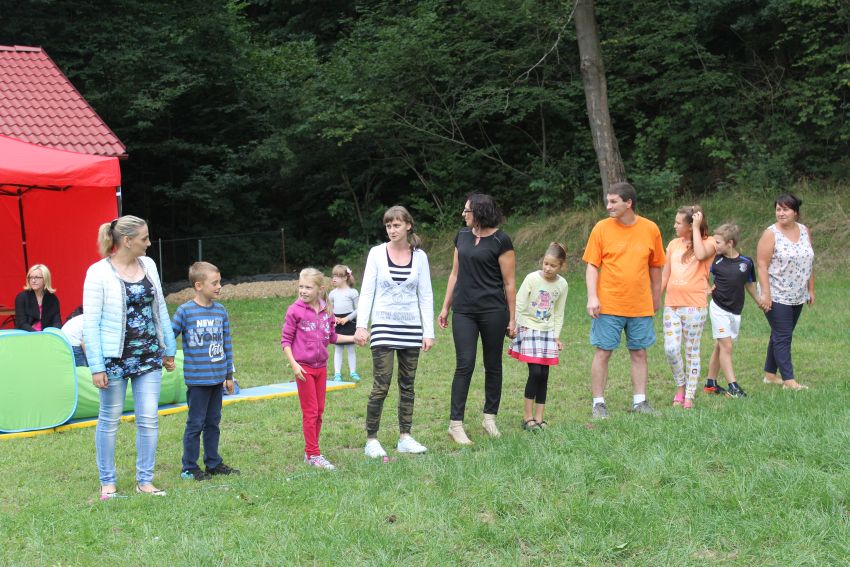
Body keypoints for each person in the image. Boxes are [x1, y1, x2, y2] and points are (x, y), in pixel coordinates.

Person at [83, 215, 176, 499]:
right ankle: (108, 483)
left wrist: (168, 349)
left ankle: (145, 481)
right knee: (109, 420)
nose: (148, 243)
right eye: (144, 238)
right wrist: (97, 366)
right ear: (126, 241)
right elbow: (91, 323)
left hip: (148, 355)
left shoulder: (148, 265)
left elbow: (160, 307)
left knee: (148, 419)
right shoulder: (98, 272)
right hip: (114, 360)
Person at [354, 206, 434, 458]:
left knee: (408, 386)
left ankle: (405, 437)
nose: (392, 230)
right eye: (388, 226)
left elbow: (426, 295)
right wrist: (361, 325)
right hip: (383, 328)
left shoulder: (420, 257)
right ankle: (371, 440)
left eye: (396, 225)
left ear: (408, 226)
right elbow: (367, 291)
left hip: (411, 328)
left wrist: (428, 331)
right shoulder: (376, 253)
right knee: (381, 385)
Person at [583, 182, 666, 418]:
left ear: (628, 203)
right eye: (607, 201)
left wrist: (656, 296)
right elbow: (592, 266)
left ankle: (640, 402)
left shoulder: (650, 229)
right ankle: (598, 404)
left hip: (639, 305)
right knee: (603, 352)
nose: (608, 206)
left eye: (613, 202)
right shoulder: (601, 228)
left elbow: (656, 266)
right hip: (608, 304)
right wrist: (592, 296)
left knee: (639, 352)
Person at [439, 193, 516, 444]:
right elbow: (454, 274)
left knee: (493, 364)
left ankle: (489, 419)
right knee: (465, 364)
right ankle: (455, 424)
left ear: (480, 212)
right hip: (464, 311)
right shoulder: (461, 236)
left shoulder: (501, 240)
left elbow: (509, 283)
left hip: (493, 311)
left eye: (467, 211)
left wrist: (512, 319)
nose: (463, 214)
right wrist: (445, 307)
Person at [281, 268, 357, 471]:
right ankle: (314, 454)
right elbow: (286, 341)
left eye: (308, 287)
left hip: (321, 368)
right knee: (311, 412)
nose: (303, 291)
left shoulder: (327, 311)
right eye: (301, 286)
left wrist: (353, 338)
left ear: (320, 289)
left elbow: (332, 337)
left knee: (319, 412)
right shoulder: (294, 310)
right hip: (303, 369)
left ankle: (310, 451)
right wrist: (294, 364)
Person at [171, 261, 239, 482]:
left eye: (220, 282)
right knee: (195, 424)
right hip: (197, 381)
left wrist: (228, 375)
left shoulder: (221, 311)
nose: (219, 286)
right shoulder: (185, 311)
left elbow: (227, 344)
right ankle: (189, 467)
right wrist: (166, 356)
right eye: (215, 283)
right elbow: (170, 335)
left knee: (213, 423)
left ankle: (213, 463)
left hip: (217, 379)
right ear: (198, 285)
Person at [756, 193, 814, 390]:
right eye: (778, 209)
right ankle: (789, 381)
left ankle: (770, 375)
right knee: (783, 335)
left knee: (780, 333)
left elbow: (809, 260)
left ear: (795, 212)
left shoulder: (805, 231)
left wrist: (810, 289)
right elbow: (762, 265)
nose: (781, 213)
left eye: (785, 209)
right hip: (776, 293)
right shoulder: (770, 234)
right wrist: (766, 294)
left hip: (797, 293)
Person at [509, 242, 568, 431]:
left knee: (544, 375)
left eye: (553, 265)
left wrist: (556, 336)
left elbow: (559, 312)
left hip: (547, 332)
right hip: (528, 328)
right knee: (535, 372)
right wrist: (513, 324)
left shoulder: (562, 284)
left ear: (561, 266)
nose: (547, 268)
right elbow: (519, 303)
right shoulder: (532, 278)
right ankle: (527, 418)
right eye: (545, 263)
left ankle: (539, 418)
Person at [661, 206, 716, 409]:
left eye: (678, 223)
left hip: (695, 305)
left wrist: (696, 229)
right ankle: (680, 385)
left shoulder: (709, 242)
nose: (674, 226)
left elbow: (700, 255)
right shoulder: (673, 244)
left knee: (691, 350)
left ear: (691, 225)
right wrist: (655, 298)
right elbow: (665, 274)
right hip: (672, 305)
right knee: (671, 348)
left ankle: (689, 395)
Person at [703, 224, 763, 398]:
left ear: (730, 243)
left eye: (718, 242)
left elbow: (749, 284)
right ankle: (733, 387)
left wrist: (759, 301)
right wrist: (706, 286)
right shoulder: (715, 260)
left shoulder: (746, 262)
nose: (715, 245)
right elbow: (701, 273)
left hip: (735, 311)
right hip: (718, 308)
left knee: (720, 346)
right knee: (726, 346)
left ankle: (710, 384)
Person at [329, 264, 361, 382]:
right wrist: (334, 318)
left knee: (351, 348)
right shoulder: (332, 293)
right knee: (338, 349)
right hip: (337, 323)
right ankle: (337, 374)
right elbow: (329, 309)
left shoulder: (353, 292)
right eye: (333, 275)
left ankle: (353, 372)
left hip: (350, 322)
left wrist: (347, 318)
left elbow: (359, 309)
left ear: (345, 278)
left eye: (337, 276)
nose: (334, 278)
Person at [15, 264, 61, 331]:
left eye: (37, 277)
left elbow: (57, 322)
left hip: (47, 334)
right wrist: (37, 334)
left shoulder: (52, 298)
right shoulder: (22, 297)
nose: (33, 280)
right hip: (27, 334)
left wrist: (54, 332)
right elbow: (21, 323)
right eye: (31, 277)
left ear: (45, 279)